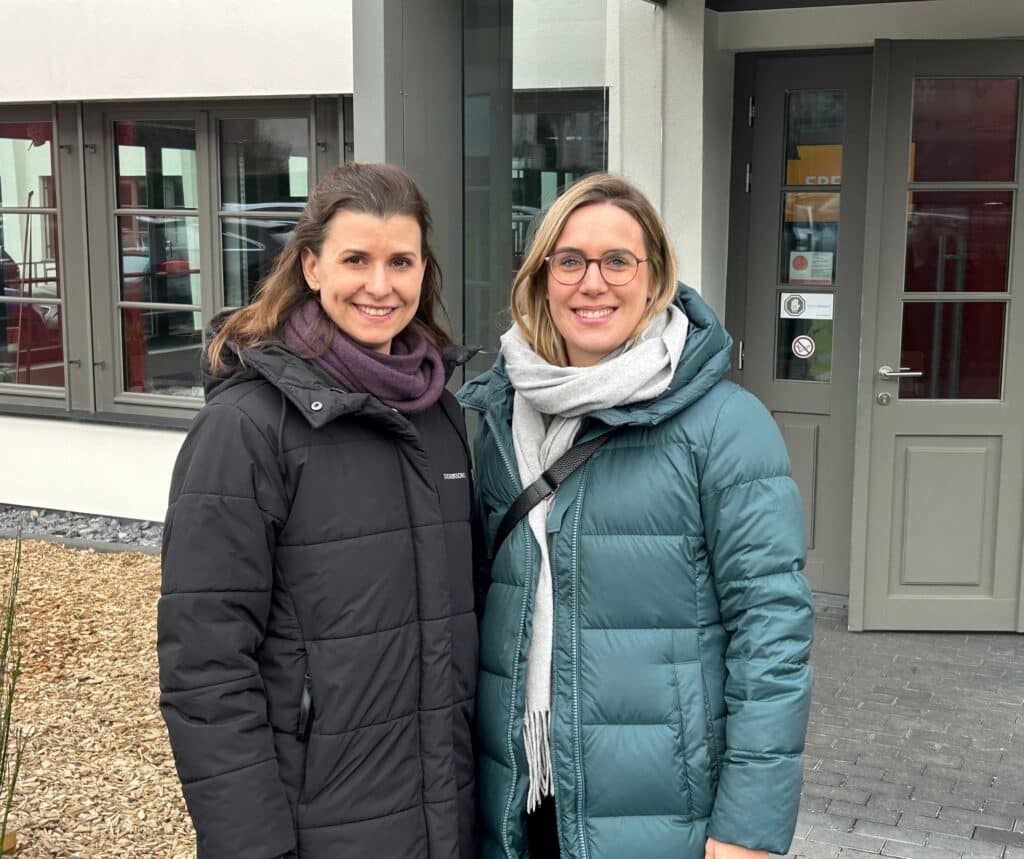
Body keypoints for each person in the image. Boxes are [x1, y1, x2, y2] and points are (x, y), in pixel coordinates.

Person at [458, 173, 813, 859]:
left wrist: (748, 824)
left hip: (662, 807)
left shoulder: (725, 426)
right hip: (518, 793)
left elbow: (772, 632)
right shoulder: (500, 418)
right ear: (541, 278)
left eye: (617, 260)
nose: (593, 282)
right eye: (570, 260)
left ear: (654, 280)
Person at [158, 162, 478, 859]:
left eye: (401, 261)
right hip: (315, 827)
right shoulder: (246, 427)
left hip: (441, 820)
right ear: (310, 265)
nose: (380, 285)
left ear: (424, 271)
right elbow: (206, 665)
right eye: (355, 259)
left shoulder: (441, 413)